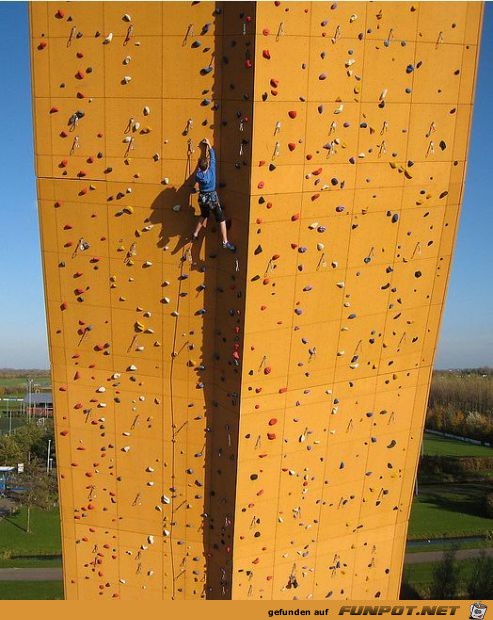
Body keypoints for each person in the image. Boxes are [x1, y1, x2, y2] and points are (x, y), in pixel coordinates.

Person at [191, 138, 236, 252]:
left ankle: (195, 233)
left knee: (204, 215)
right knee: (221, 219)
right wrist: (209, 145)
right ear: (208, 165)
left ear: (200, 167)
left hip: (202, 198)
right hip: (211, 197)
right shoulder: (211, 170)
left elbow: (198, 173)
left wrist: (201, 161)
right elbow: (213, 157)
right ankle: (225, 241)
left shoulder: (198, 175)